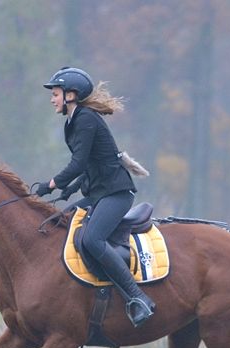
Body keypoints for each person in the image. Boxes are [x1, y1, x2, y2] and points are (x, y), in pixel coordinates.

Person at [35, 67, 155, 327]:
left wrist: (52, 184)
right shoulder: (75, 120)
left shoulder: (85, 118)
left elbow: (78, 163)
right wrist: (72, 189)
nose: (52, 99)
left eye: (55, 94)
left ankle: (138, 298)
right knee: (62, 220)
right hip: (99, 194)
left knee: (92, 239)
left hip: (116, 194)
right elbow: (90, 164)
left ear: (71, 95)